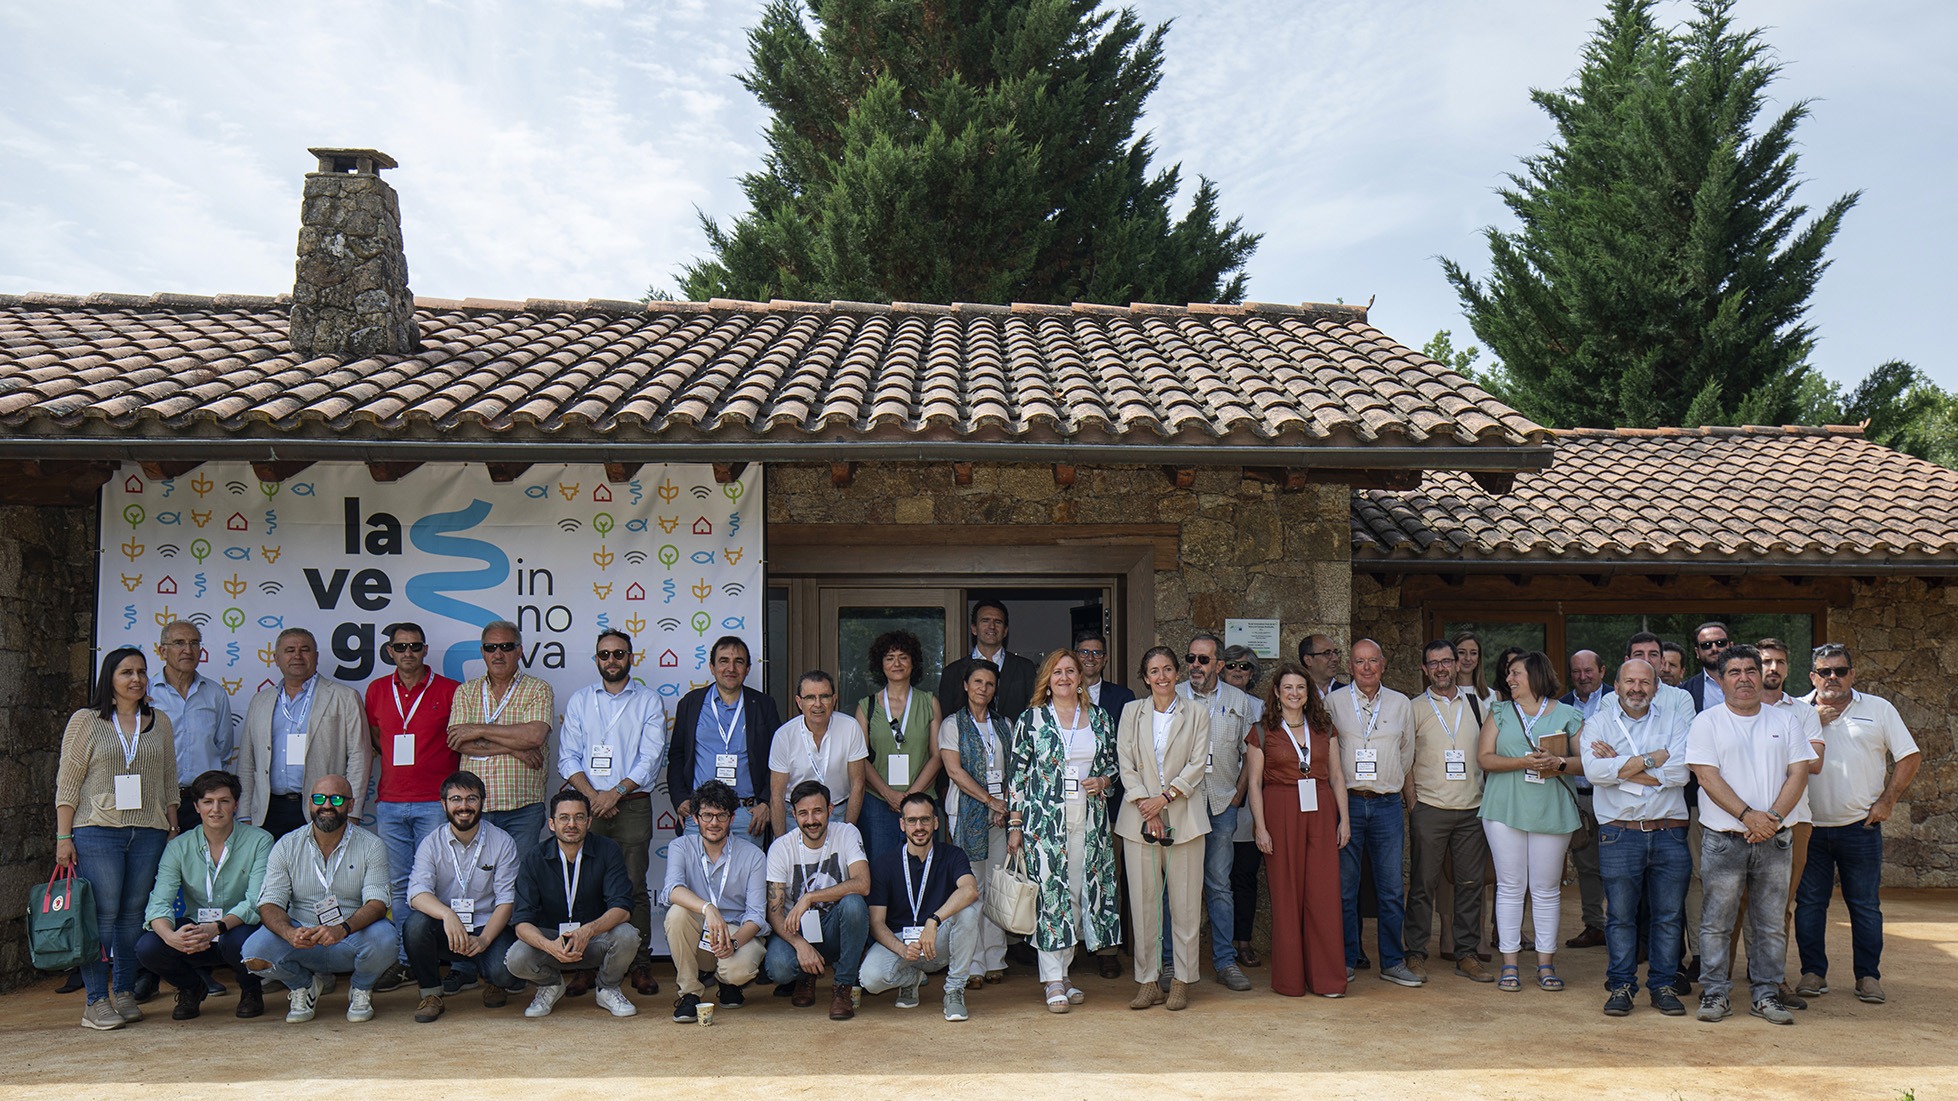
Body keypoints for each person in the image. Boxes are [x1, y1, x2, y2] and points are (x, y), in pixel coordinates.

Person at [1687, 644, 1815, 1025]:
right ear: (1721, 679)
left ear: (1761, 676)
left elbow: (1799, 772)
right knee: (1716, 920)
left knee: (1771, 922)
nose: (1744, 678)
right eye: (1734, 672)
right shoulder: (1706, 722)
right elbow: (1707, 777)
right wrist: (1748, 816)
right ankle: (1714, 993)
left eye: (1750, 671)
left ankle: (1766, 994)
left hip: (1775, 838)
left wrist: (1771, 818)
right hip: (1724, 838)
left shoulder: (1785, 721)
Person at [55, 646, 179, 1030]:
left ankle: (123, 992)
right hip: (97, 831)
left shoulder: (159, 721)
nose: (136, 679)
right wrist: (63, 836)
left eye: (141, 671)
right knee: (101, 918)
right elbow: (68, 781)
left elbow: (169, 782)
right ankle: (95, 1001)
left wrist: (172, 829)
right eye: (126, 672)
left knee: (131, 919)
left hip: (149, 832)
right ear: (109, 677)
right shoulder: (87, 720)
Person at [1795, 643, 1921, 1006]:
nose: (1832, 677)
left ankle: (1868, 976)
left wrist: (1888, 800)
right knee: (1810, 904)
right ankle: (1813, 972)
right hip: (1809, 826)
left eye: (1840, 670)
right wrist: (1813, 721)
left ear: (1853, 673)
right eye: (1824, 671)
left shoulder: (1878, 709)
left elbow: (1909, 756)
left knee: (1864, 906)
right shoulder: (1796, 712)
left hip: (1859, 826)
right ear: (1812, 676)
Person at [1007, 648, 1120, 1013]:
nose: (1065, 677)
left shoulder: (1100, 718)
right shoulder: (1032, 719)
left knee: (1075, 894)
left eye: (1071, 671)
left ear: (1080, 677)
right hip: (1044, 821)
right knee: (1049, 896)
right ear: (1047, 679)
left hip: (1090, 819)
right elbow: (1018, 776)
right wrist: (1015, 825)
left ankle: (1064, 973)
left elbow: (1113, 767)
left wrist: (1103, 780)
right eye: (1057, 672)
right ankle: (1052, 979)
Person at [558, 628, 667, 996]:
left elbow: (651, 758)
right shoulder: (579, 701)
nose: (611, 661)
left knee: (634, 886)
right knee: (584, 888)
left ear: (631, 658)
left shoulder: (649, 701)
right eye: (604, 655)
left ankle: (639, 965)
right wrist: (593, 796)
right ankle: (587, 966)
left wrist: (616, 792)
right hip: (587, 807)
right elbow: (567, 756)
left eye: (619, 654)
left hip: (632, 805)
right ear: (596, 660)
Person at [1581, 658, 1692, 1017]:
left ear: (1656, 687)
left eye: (1645, 683)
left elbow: (1682, 771)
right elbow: (1596, 772)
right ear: (1616, 685)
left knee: (1668, 916)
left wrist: (1623, 765)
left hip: (1669, 832)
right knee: (1620, 917)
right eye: (1629, 681)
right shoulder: (1598, 721)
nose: (1636, 689)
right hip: (1619, 833)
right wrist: (1652, 759)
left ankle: (1662, 986)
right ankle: (1621, 987)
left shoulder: (1675, 719)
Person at [243, 774, 397, 1024]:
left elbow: (378, 903)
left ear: (350, 804)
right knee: (253, 953)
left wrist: (342, 929)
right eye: (319, 798)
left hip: (351, 935)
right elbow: (270, 902)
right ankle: (304, 986)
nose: (327, 805)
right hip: (301, 936)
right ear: (309, 804)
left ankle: (360, 988)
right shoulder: (287, 845)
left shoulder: (371, 845)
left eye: (336, 799)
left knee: (387, 939)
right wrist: (288, 933)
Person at [361, 621, 459, 994]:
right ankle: (407, 962)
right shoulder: (375, 690)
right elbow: (374, 735)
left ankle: (450, 959)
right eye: (400, 647)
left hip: (436, 802)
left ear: (425, 649)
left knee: (440, 884)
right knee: (400, 887)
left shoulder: (449, 690)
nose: (408, 653)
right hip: (389, 802)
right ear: (389, 651)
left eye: (415, 646)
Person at [1478, 650, 1584, 993]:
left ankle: (1545, 964)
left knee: (1546, 889)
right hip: (1504, 808)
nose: (1509, 679)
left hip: (1551, 808)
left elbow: (1586, 763)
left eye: (1516, 673)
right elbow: (1484, 759)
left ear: (1536, 676)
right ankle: (1509, 965)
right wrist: (1524, 763)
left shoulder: (1569, 714)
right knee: (1509, 887)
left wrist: (1559, 761)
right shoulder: (1499, 711)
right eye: (1508, 674)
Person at [1115, 646, 1212, 1010]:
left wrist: (1166, 798)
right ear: (1145, 677)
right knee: (1143, 906)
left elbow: (1197, 763)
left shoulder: (1198, 712)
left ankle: (1183, 981)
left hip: (1184, 820)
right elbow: (1125, 762)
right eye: (1154, 671)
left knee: (1186, 906)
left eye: (1168, 669)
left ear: (1177, 673)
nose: (1162, 677)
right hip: (1139, 820)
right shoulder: (1130, 712)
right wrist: (1147, 805)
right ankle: (1148, 981)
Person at [135, 770, 273, 1021]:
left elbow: (256, 901)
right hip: (197, 930)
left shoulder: (260, 841)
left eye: (224, 801)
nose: (216, 809)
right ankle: (191, 987)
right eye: (208, 802)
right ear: (197, 807)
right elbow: (159, 902)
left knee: (240, 941)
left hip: (237, 927)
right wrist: (171, 937)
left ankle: (251, 990)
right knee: (148, 947)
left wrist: (218, 927)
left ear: (236, 805)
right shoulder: (178, 847)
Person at [1247, 662, 1349, 998]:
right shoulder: (1262, 731)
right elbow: (1254, 784)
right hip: (1280, 810)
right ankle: (1290, 980)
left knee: (1323, 895)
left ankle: (1327, 979)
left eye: (1300, 688)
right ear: (1276, 692)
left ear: (1309, 694)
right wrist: (1260, 828)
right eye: (1287, 687)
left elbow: (1336, 777)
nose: (1294, 693)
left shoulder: (1324, 729)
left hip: (1320, 811)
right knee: (1286, 894)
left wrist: (1344, 820)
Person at [1327, 640, 1422, 988]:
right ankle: (1347, 959)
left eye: (1373, 661)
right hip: (1347, 803)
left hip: (1386, 804)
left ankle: (1393, 962)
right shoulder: (1333, 702)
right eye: (1359, 662)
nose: (1366, 668)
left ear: (1383, 664)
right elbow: (1328, 753)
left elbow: (1406, 752)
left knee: (1391, 888)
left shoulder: (1400, 704)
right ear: (1349, 667)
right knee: (1345, 889)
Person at [505, 789, 641, 1018]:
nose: (571, 824)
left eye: (579, 817)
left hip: (594, 939)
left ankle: (607, 988)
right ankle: (550, 984)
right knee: (516, 959)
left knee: (628, 935)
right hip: (552, 942)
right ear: (551, 823)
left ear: (589, 822)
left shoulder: (608, 850)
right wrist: (549, 946)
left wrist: (587, 931)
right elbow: (521, 922)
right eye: (564, 818)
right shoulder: (534, 858)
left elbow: (622, 908)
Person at [1745, 638, 1827, 1010]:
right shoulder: (1736, 707)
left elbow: (1814, 763)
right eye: (1765, 662)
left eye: (1779, 661)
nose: (1772, 668)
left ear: (1788, 668)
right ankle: (1722, 983)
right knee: (1734, 905)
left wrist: (1764, 754)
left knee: (1780, 906)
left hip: (1794, 821)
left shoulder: (1803, 711)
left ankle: (1775, 980)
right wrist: (1788, 754)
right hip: (1741, 820)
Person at [1406, 639, 1492, 983]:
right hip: (1430, 808)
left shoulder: (1478, 705)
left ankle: (1467, 954)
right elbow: (1405, 759)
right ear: (1425, 669)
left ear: (1457, 665)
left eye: (1447, 661)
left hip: (1472, 810)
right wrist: (1413, 805)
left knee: (1470, 886)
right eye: (1434, 663)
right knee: (1423, 885)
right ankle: (1414, 952)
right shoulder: (1413, 708)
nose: (1441, 668)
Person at [402, 770, 521, 1022]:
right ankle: (431, 994)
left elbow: (506, 901)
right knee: (415, 926)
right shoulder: (431, 843)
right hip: (447, 930)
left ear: (482, 803)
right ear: (443, 804)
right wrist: (448, 915)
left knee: (505, 973)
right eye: (455, 799)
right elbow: (416, 893)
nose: (463, 806)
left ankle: (494, 982)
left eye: (471, 799)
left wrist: (485, 939)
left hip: (487, 928)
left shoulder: (502, 842)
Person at [1174, 632, 1255, 992]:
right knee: (1174, 885)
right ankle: (1170, 962)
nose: (1195, 666)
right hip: (1181, 804)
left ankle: (1224, 961)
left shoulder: (1240, 700)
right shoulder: (1171, 696)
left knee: (1219, 885)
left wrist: (1238, 797)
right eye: (1190, 658)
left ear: (1219, 665)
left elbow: (1251, 754)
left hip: (1222, 803)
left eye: (1203, 660)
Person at [861, 792, 981, 1021]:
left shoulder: (952, 855)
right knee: (870, 979)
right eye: (912, 820)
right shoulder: (885, 863)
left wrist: (933, 920)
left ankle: (954, 990)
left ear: (936, 823)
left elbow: (970, 890)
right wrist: (901, 949)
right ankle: (911, 979)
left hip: (938, 940)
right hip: (902, 943)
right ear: (902, 824)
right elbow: (876, 923)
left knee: (968, 912)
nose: (919, 826)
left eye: (925, 820)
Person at [239, 628, 366, 837]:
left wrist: (353, 811)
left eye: (304, 650)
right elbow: (247, 761)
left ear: (316, 657)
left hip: (323, 808)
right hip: (268, 811)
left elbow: (359, 756)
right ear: (276, 658)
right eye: (289, 650)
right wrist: (244, 814)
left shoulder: (344, 697)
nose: (297, 656)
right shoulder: (260, 701)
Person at [764, 779, 872, 1021]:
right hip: (798, 930)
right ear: (793, 814)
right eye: (803, 813)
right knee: (778, 967)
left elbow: (863, 883)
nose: (811, 820)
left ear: (830, 810)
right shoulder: (781, 847)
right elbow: (774, 912)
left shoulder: (846, 833)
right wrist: (800, 944)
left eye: (817, 811)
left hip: (835, 926)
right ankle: (805, 975)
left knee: (854, 904)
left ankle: (842, 987)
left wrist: (810, 897)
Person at [662, 780, 769, 1023]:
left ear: (731, 819)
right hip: (700, 930)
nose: (713, 823)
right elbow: (672, 889)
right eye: (707, 815)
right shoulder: (680, 846)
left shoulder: (753, 855)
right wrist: (708, 908)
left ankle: (728, 982)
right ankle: (690, 993)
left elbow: (756, 916)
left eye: (721, 816)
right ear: (695, 818)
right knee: (677, 913)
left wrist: (732, 942)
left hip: (735, 932)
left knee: (738, 971)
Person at [939, 660, 1012, 984]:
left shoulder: (1005, 724)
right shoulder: (952, 724)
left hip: (1000, 815)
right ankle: (972, 964)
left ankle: (995, 958)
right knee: (972, 888)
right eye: (978, 682)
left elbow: (1014, 769)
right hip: (967, 813)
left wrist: (1004, 804)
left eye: (990, 683)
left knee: (997, 885)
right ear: (966, 685)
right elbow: (954, 771)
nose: (983, 688)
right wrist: (988, 800)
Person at [449, 621, 554, 847]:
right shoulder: (466, 691)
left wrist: (478, 729)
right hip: (476, 807)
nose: (498, 654)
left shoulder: (538, 688)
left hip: (523, 809)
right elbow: (458, 742)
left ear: (519, 651)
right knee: (477, 880)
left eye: (506, 647)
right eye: (490, 648)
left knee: (520, 879)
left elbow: (534, 736)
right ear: (482, 652)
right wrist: (514, 747)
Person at [669, 635, 781, 839]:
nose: (731, 668)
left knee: (746, 872)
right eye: (724, 661)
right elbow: (676, 756)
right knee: (698, 872)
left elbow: (778, 759)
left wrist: (766, 802)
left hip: (747, 815)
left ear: (747, 669)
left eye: (739, 662)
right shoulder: (690, 703)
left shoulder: (764, 705)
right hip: (701, 815)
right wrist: (680, 800)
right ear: (712, 667)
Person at [854, 630, 943, 865]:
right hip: (878, 803)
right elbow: (859, 758)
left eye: (903, 656)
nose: (897, 663)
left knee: (923, 868)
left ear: (913, 662)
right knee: (881, 868)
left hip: (922, 800)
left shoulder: (929, 702)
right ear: (880, 665)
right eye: (889, 657)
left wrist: (912, 794)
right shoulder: (866, 706)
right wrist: (889, 794)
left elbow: (937, 755)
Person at [1079, 627, 1135, 979]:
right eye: (1084, 653)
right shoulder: (1056, 693)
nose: (1090, 659)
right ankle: (1066, 948)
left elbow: (1126, 748)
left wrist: (1108, 782)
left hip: (1109, 805)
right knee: (1068, 874)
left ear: (1106, 658)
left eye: (1097, 653)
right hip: (1065, 806)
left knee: (1106, 876)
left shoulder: (1122, 696)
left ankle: (1107, 950)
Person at [151, 621, 236, 847]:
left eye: (194, 643)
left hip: (205, 803)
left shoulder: (215, 693)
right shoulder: (147, 694)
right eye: (179, 643)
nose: (188, 650)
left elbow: (224, 747)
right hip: (158, 801)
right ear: (162, 651)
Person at [769, 670, 868, 826]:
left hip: (838, 811)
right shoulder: (784, 735)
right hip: (796, 815)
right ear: (799, 702)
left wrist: (848, 830)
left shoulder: (850, 728)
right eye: (810, 697)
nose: (818, 704)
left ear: (834, 700)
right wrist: (781, 842)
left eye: (824, 696)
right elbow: (777, 795)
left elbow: (858, 784)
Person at [1219, 645, 1265, 969]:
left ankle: (1243, 942)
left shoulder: (1261, 709)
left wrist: (1238, 796)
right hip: (1211, 803)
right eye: (1232, 664)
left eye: (1245, 667)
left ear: (1253, 674)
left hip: (1247, 805)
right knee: (1214, 879)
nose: (1238, 670)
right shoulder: (1209, 702)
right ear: (1221, 668)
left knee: (1245, 876)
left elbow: (1256, 757)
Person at [1560, 649, 1608, 950]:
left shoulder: (1618, 702)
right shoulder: (1561, 706)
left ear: (1602, 671)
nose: (1582, 677)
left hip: (1613, 796)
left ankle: (1620, 928)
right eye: (1576, 671)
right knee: (1586, 865)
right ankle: (1595, 925)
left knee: (1619, 867)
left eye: (1588, 670)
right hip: (1578, 797)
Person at [937, 598, 1037, 725]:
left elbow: (1033, 714)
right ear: (974, 628)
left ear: (1005, 631)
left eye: (998, 622)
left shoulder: (1025, 668)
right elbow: (946, 718)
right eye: (985, 621)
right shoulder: (952, 672)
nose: (992, 626)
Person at [1681, 622, 1733, 712]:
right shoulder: (1685, 691)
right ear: (1697, 652)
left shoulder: (1751, 682)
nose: (1714, 649)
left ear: (1731, 646)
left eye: (1720, 643)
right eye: (1706, 645)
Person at [1452, 630, 1498, 714]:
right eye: (1461, 652)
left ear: (1478, 658)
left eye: (1473, 653)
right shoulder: (1444, 693)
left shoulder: (1490, 696)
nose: (1468, 658)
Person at [1297, 634, 1347, 698]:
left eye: (1335, 652)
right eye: (1327, 653)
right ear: (1308, 660)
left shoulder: (1347, 693)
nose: (1335, 658)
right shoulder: (1297, 695)